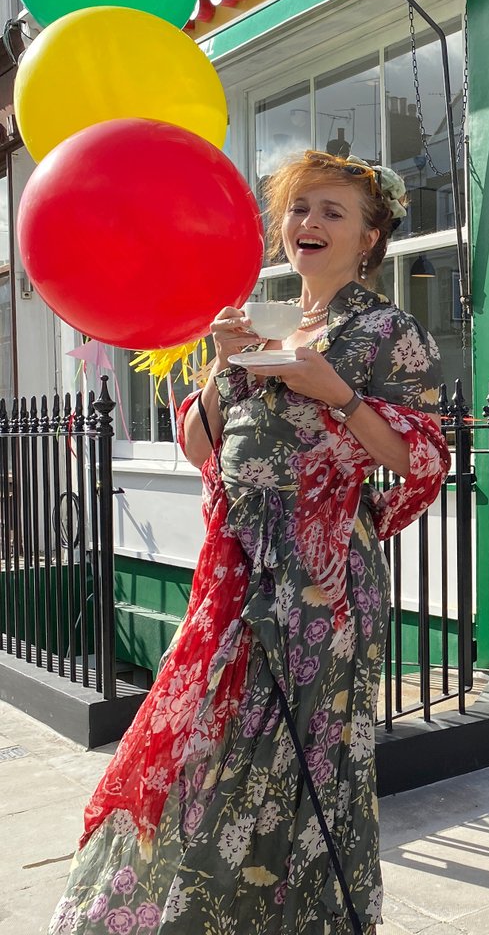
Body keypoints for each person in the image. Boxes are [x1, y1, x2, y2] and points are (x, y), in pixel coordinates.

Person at [48, 150, 449, 935]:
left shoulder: (386, 332)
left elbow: (426, 459)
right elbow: (205, 450)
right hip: (236, 565)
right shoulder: (265, 318)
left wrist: (336, 392)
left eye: (333, 212)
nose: (309, 224)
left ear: (370, 237)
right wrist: (219, 366)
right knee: (210, 743)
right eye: (300, 209)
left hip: (322, 579)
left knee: (304, 758)